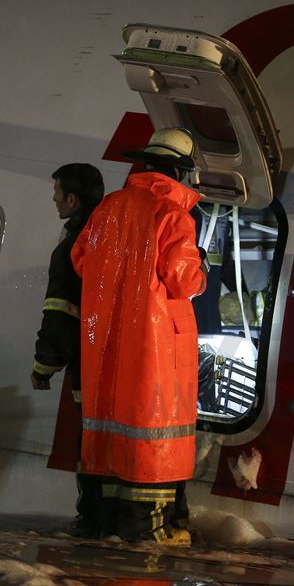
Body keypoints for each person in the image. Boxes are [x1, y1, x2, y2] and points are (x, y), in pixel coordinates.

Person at [71, 128, 208, 546]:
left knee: (111, 431)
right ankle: (146, 527)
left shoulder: (108, 208)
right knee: (151, 433)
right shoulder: (173, 215)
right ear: (180, 173)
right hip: (155, 347)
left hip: (106, 343)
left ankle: (103, 521)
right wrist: (202, 271)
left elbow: (81, 260)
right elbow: (182, 280)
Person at [30, 162, 105, 538]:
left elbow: (59, 314)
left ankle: (92, 522)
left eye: (57, 192)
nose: (53, 198)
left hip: (89, 370)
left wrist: (42, 367)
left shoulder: (72, 247)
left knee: (91, 446)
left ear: (72, 200)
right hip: (116, 369)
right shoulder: (110, 238)